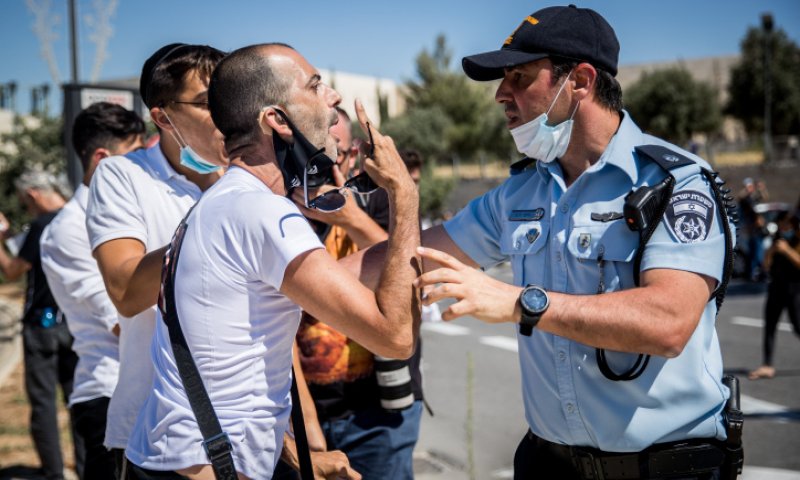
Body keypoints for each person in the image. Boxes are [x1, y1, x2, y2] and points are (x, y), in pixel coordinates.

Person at [349, 5, 738, 479]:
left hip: (667, 469)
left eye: (519, 77)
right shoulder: (519, 192)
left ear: (580, 81)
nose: (500, 95)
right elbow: (408, 261)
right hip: (547, 465)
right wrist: (289, 271)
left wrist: (522, 303)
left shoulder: (676, 183)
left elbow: (669, 323)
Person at [125, 43, 420, 480]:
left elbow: (234, 361)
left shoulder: (226, 203)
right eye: (316, 86)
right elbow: (394, 337)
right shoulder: (263, 212)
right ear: (277, 120)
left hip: (178, 459)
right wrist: (405, 196)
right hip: (202, 467)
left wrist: (293, 452)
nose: (334, 97)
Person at [84, 43, 227, 477]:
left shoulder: (249, 183)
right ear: (162, 117)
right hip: (159, 439)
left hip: (250, 429)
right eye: (207, 103)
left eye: (231, 98)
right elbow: (126, 292)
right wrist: (224, 225)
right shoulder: (122, 176)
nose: (226, 113)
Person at [292, 110, 425, 480]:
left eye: (334, 157)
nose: (324, 172)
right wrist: (306, 421)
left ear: (351, 154)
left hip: (380, 412)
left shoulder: (377, 199)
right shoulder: (280, 212)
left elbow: (410, 271)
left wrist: (350, 218)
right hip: (304, 411)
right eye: (314, 161)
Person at [41, 102, 146, 479]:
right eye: (136, 156)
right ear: (102, 159)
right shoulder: (67, 230)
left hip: (148, 388)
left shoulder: (133, 210)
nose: (144, 167)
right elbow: (121, 318)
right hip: (110, 395)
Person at [0, 169, 84, 480]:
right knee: (79, 399)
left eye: (25, 203)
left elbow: (12, 270)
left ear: (33, 195)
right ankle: (88, 467)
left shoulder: (41, 225)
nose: (27, 209)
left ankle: (54, 472)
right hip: (76, 323)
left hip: (42, 326)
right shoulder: (78, 217)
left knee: (44, 404)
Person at [748, 211, 800, 380]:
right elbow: (766, 265)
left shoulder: (796, 240)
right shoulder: (777, 240)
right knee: (769, 327)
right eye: (782, 223)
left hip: (794, 290)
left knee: (798, 326)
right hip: (775, 288)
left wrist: (786, 250)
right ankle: (767, 365)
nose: (784, 227)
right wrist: (771, 250)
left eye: (787, 223)